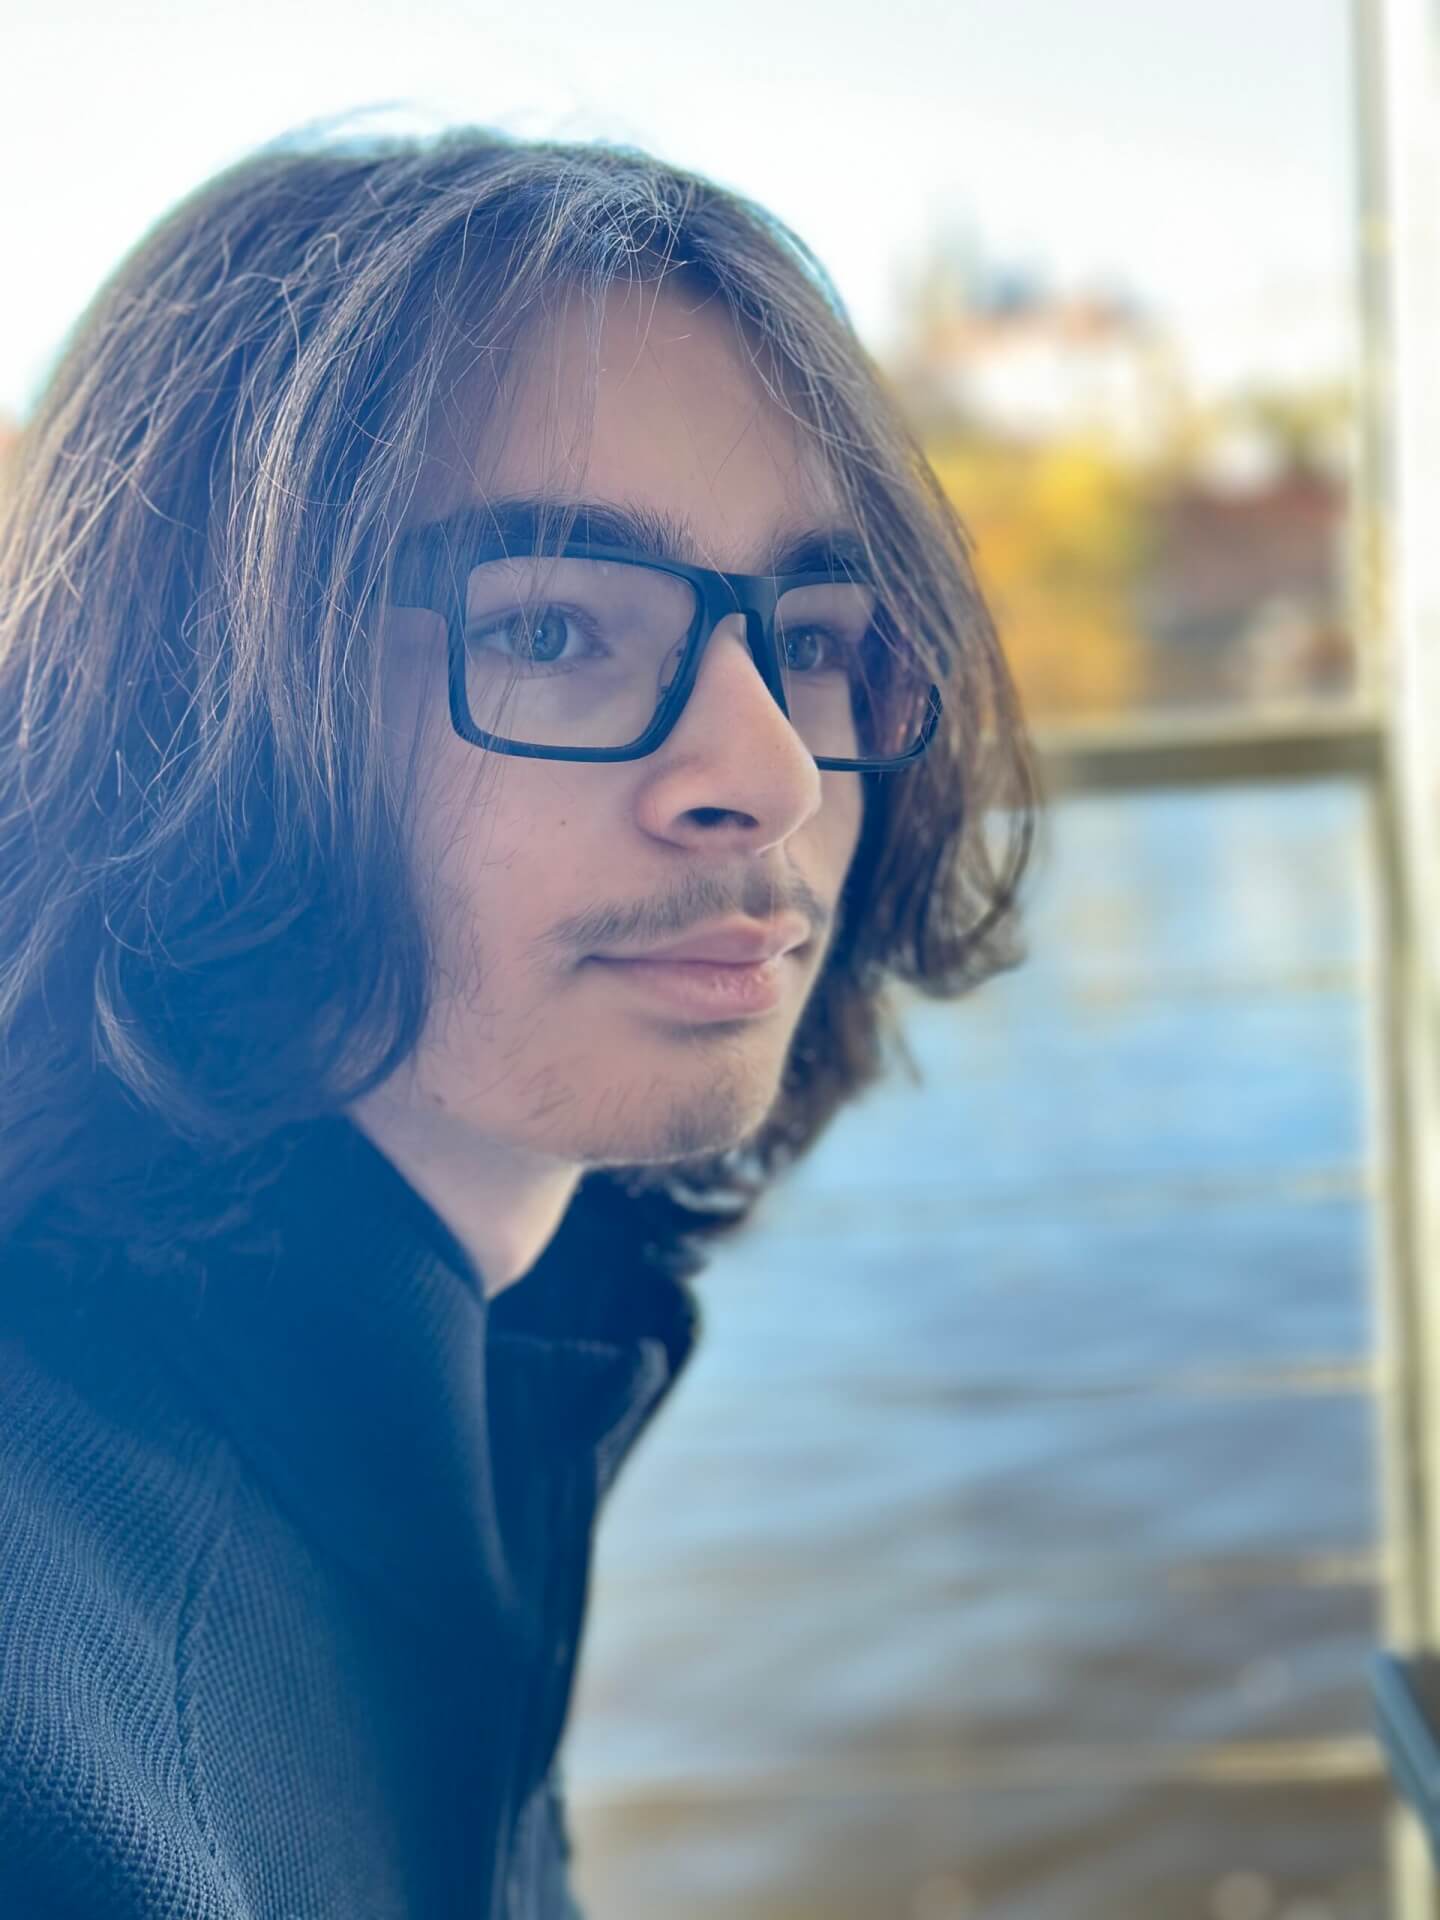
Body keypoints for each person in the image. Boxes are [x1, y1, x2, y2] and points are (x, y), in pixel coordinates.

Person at [0, 123, 1035, 1917]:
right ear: (174, 697)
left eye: (810, 638)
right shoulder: (65, 1776)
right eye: (551, 629)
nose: (773, 774)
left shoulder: (484, 1362)